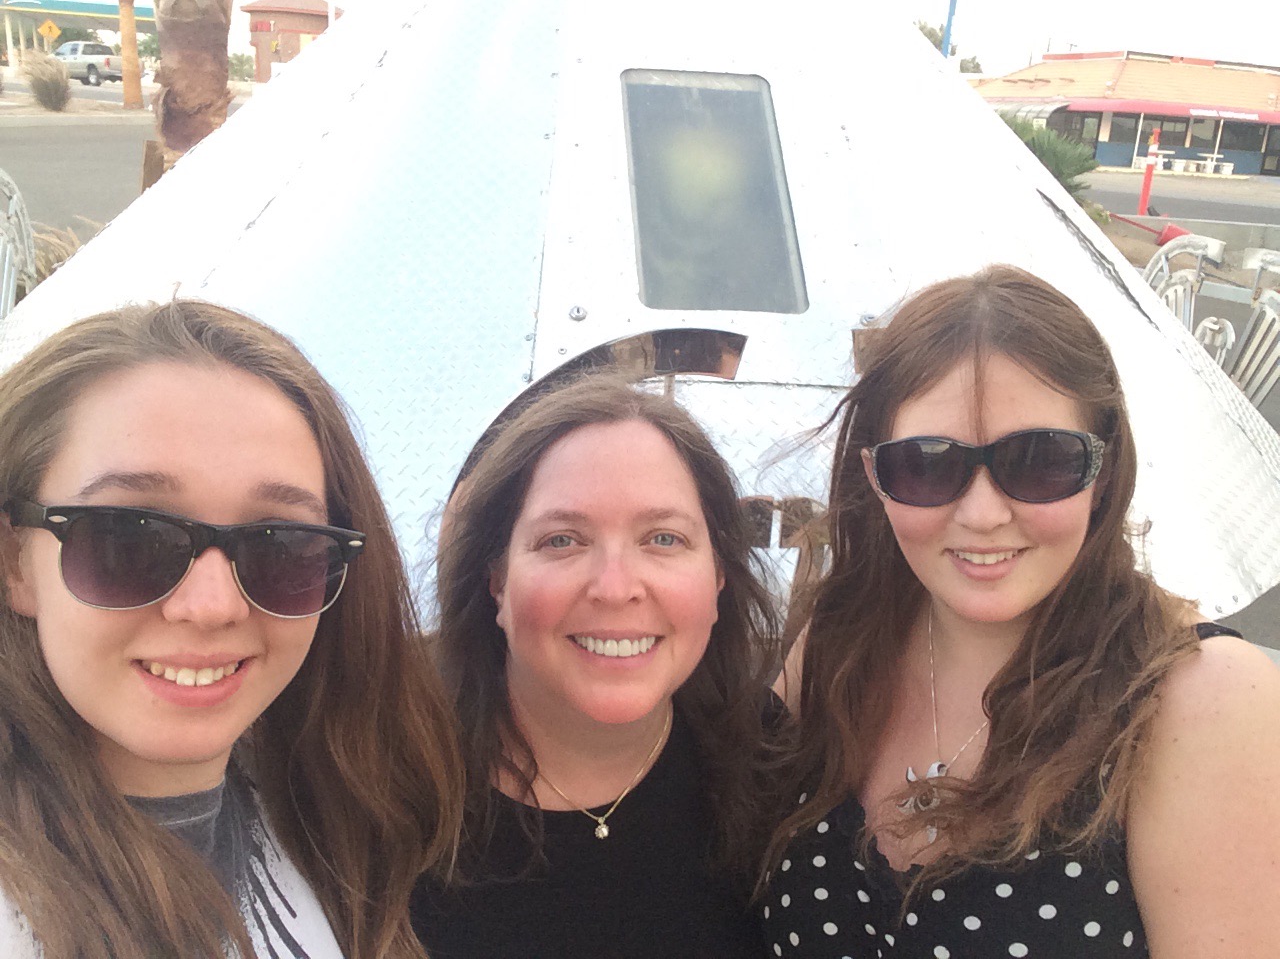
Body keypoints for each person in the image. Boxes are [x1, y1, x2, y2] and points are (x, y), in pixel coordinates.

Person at [763, 265, 1280, 958]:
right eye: (927, 464)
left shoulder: (1201, 699)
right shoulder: (838, 644)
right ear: (876, 479)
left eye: (1040, 460)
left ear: (1104, 469)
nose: (983, 514)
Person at [0, 301, 463, 959]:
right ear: (15, 562)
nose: (213, 606)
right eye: (131, 537)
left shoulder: (331, 822)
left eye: (281, 545)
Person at [411, 376, 782, 958]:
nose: (615, 588)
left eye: (663, 538)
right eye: (562, 540)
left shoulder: (779, 770)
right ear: (497, 581)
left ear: (718, 578)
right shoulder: (381, 781)